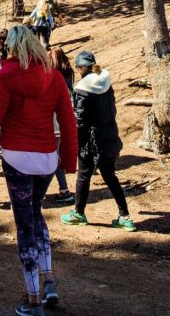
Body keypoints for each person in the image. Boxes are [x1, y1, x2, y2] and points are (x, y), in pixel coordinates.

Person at [0, 25, 77, 316]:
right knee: (36, 212)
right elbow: (67, 121)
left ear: (13, 47)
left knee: (24, 224)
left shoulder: (7, 77)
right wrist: (69, 161)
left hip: (17, 159)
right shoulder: (53, 77)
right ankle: (49, 279)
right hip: (46, 160)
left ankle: (32, 299)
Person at [61, 51, 135, 231]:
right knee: (110, 176)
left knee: (83, 176)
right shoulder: (106, 82)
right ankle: (125, 215)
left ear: (80, 68)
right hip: (109, 135)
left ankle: (79, 212)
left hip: (90, 141)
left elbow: (80, 121)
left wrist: (75, 142)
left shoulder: (82, 89)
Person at [48, 48, 74, 204]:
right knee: (54, 156)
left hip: (53, 119)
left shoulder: (52, 75)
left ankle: (63, 190)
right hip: (65, 118)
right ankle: (63, 189)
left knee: (52, 157)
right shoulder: (69, 73)